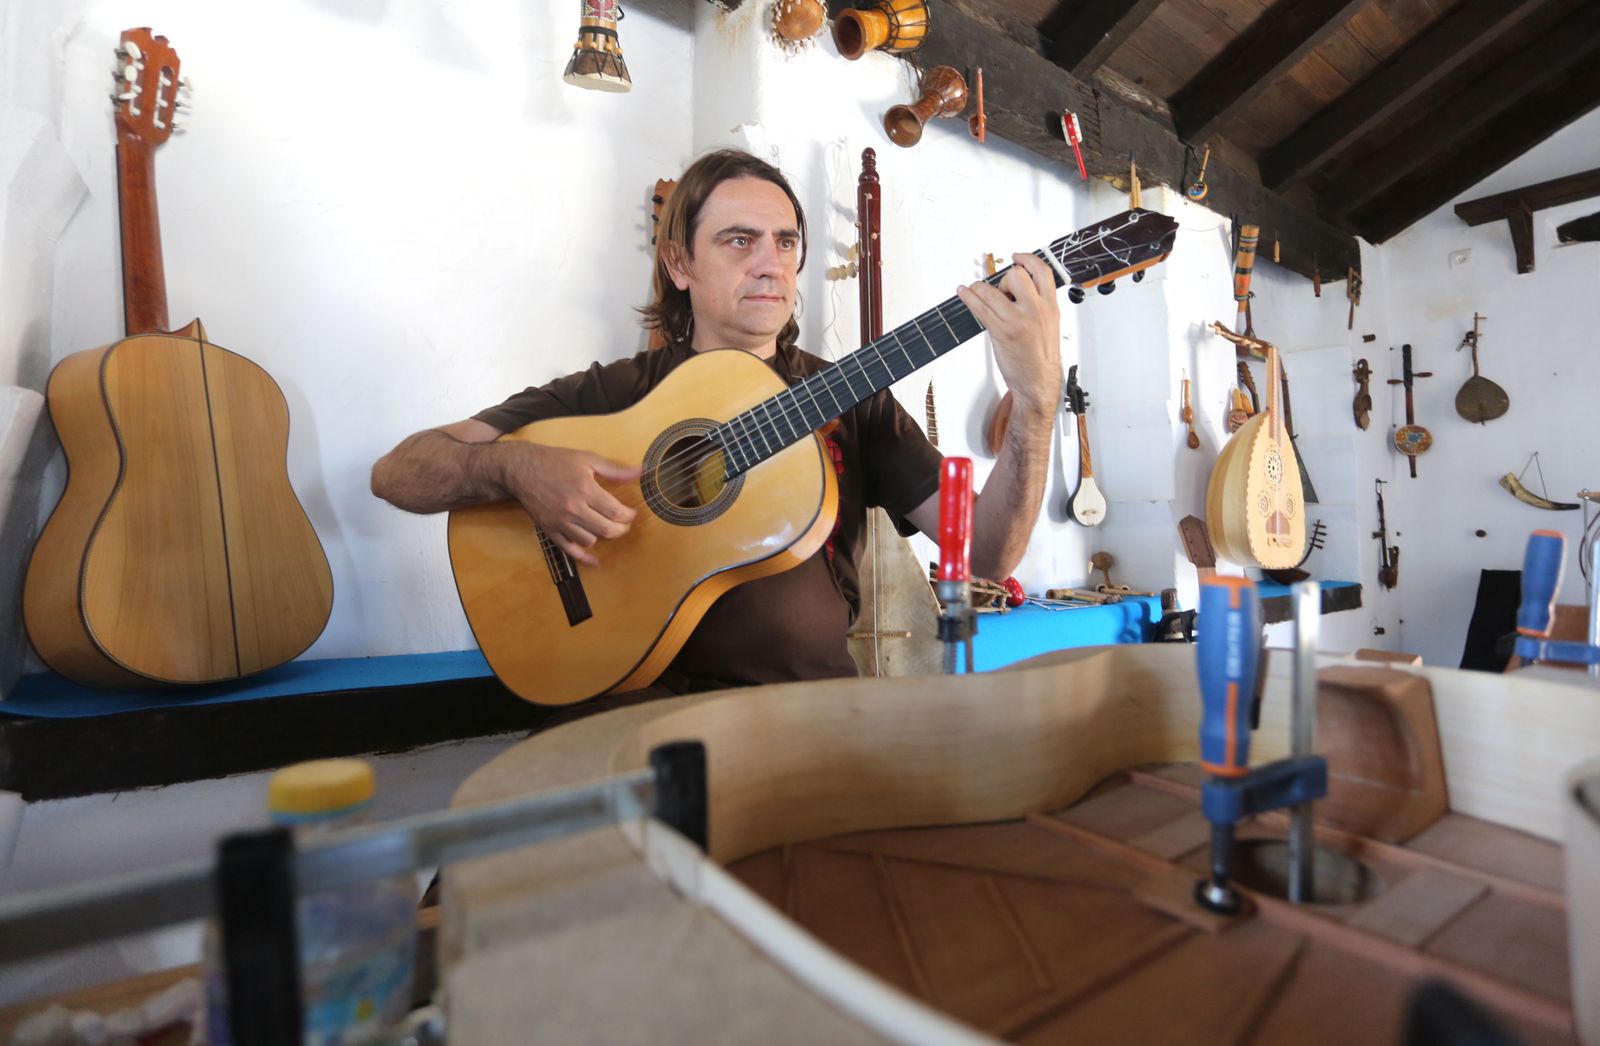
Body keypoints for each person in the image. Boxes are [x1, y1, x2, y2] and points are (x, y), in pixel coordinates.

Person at [371, 148, 1060, 697]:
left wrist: (1035, 405)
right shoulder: (612, 393)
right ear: (679, 263)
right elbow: (398, 473)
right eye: (739, 240)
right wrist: (514, 467)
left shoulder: (853, 397)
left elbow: (989, 556)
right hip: (621, 714)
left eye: (786, 242)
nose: (770, 263)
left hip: (797, 719)